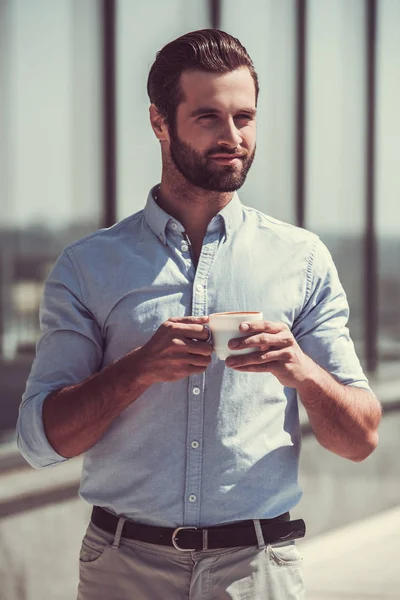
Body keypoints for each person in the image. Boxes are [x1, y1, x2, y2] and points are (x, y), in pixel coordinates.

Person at [17, 29, 381, 600]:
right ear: (160, 122)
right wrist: (138, 369)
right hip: (123, 571)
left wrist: (301, 370)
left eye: (245, 117)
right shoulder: (88, 267)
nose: (232, 136)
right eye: (208, 116)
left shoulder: (302, 260)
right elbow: (39, 442)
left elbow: (361, 439)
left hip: (258, 572)